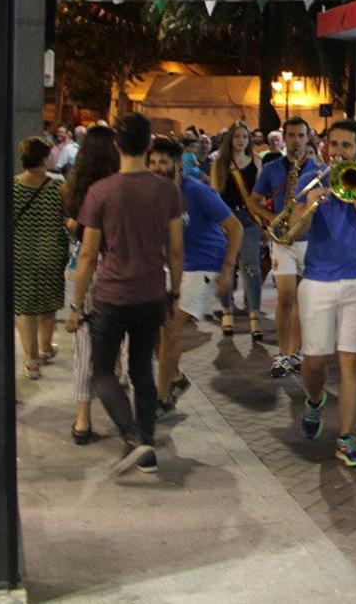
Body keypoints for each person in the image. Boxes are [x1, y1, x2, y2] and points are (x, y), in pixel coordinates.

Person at [69, 113, 184, 475]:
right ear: (149, 145)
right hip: (151, 292)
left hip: (111, 294)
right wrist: (174, 291)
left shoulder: (100, 192)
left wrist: (75, 304)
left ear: (118, 144)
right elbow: (176, 249)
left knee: (102, 369)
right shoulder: (168, 190)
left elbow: (88, 255)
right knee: (141, 370)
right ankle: (146, 447)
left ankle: (133, 437)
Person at [292, 119, 356, 467]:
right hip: (318, 278)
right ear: (325, 147)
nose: (339, 151)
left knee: (351, 360)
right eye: (334, 144)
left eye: (346, 146)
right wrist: (310, 203)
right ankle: (314, 399)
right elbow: (293, 232)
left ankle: (347, 438)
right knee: (315, 361)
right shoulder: (311, 180)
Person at [148, 136, 242, 418]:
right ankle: (174, 378)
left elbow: (235, 228)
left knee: (170, 331)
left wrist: (227, 269)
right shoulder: (152, 194)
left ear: (177, 164)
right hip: (173, 267)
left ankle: (162, 398)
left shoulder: (197, 191)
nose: (156, 167)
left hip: (204, 265)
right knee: (156, 327)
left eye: (163, 162)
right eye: (152, 162)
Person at [62, 126, 120, 443]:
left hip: (88, 268)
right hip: (117, 268)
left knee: (85, 345)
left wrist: (75, 305)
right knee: (119, 344)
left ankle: (82, 421)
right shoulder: (118, 184)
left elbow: (74, 230)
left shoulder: (77, 187)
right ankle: (120, 413)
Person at [252, 117, 318, 377]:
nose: (296, 141)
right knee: (286, 296)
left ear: (307, 138)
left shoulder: (317, 168)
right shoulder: (271, 169)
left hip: (309, 239)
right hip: (282, 241)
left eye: (301, 136)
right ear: (285, 137)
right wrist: (272, 220)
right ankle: (282, 352)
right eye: (291, 135)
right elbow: (254, 200)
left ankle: (297, 351)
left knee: (302, 299)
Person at [13, 137, 68, 381]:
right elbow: (68, 220)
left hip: (21, 253)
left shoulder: (12, 187)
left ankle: (31, 361)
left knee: (26, 307)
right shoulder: (58, 187)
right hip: (51, 253)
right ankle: (45, 348)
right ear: (45, 158)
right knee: (48, 302)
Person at [212, 121, 267, 340]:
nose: (241, 141)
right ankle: (227, 311)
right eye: (237, 137)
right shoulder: (220, 163)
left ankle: (254, 315)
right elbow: (215, 193)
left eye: (245, 137)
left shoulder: (256, 162)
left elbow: (260, 195)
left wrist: (263, 221)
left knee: (251, 266)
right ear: (230, 140)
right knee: (226, 265)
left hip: (250, 220)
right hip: (226, 218)